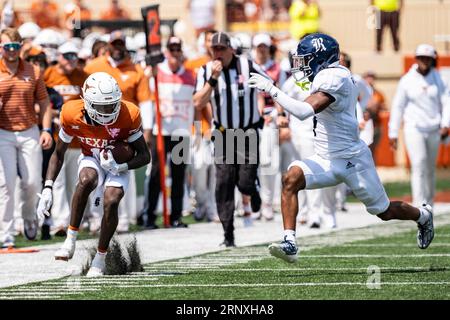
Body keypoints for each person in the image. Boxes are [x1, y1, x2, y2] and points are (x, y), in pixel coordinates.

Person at [248, 33, 435, 263]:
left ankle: (423, 216)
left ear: (321, 58)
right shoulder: (326, 75)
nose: (302, 65)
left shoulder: (334, 78)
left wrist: (271, 88)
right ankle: (290, 243)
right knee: (290, 179)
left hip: (352, 160)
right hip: (325, 158)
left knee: (384, 212)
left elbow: (304, 112)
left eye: (306, 59)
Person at [36, 72, 151, 277]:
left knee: (112, 200)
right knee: (87, 179)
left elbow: (145, 156)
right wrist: (47, 187)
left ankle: (100, 258)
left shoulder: (129, 113)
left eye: (111, 105)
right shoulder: (71, 113)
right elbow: (58, 153)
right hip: (91, 157)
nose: (107, 111)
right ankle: (70, 239)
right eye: (101, 106)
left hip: (118, 162)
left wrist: (120, 167)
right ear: (86, 101)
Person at [193, 32, 265, 247]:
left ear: (231, 49)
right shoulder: (206, 71)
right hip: (223, 134)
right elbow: (198, 102)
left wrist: (275, 112)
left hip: (248, 132)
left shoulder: (247, 65)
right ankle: (228, 232)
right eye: (214, 49)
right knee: (224, 182)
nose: (218, 53)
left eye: (222, 49)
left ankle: (252, 188)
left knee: (243, 182)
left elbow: (268, 85)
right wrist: (212, 79)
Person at [85, 30, 153, 233]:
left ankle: (122, 217)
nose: (117, 48)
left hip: (125, 129)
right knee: (97, 174)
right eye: (114, 44)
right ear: (109, 46)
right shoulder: (94, 67)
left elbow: (146, 102)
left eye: (120, 44)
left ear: (125, 45)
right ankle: (97, 218)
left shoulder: (136, 70)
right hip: (97, 128)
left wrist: (147, 130)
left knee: (122, 170)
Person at [0, 28, 53, 248]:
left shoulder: (33, 70)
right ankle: (6, 235)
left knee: (32, 182)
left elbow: (44, 102)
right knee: (6, 184)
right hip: (3, 131)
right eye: (6, 47)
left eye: (15, 46)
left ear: (21, 47)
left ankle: (29, 217)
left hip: (29, 129)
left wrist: (46, 130)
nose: (11, 51)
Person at [141, 36, 195, 229]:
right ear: (166, 51)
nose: (174, 52)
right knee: (155, 174)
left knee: (179, 175)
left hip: (182, 132)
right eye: (171, 49)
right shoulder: (157, 72)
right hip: (160, 131)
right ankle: (149, 216)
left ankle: (176, 216)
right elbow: (145, 90)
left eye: (177, 48)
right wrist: (150, 72)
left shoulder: (190, 75)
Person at [389, 44, 450, 208]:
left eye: (428, 58)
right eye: (422, 58)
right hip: (413, 128)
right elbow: (398, 106)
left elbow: (446, 102)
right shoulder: (407, 80)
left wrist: (445, 124)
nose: (425, 61)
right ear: (416, 59)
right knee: (419, 164)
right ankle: (419, 205)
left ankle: (429, 203)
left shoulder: (438, 78)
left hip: (434, 129)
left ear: (432, 60)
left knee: (430, 168)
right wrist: (393, 132)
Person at [43, 41, 89, 237]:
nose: (71, 60)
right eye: (67, 55)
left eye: (74, 56)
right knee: (58, 181)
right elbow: (43, 102)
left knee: (76, 181)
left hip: (79, 137)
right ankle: (60, 221)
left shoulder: (83, 76)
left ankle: (75, 220)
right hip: (57, 137)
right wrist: (56, 115)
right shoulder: (49, 74)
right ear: (59, 56)